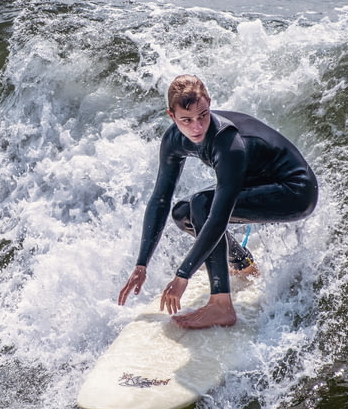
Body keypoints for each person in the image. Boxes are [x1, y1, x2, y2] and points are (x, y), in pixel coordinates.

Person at [118, 74, 318, 329]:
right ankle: (243, 265)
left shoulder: (227, 141)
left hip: (295, 191)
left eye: (203, 115)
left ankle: (221, 304)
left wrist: (183, 275)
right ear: (172, 116)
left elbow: (219, 215)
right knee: (182, 212)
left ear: (209, 103)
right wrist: (141, 263)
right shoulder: (174, 140)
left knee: (202, 203)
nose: (197, 127)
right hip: (258, 182)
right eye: (186, 120)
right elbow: (160, 198)